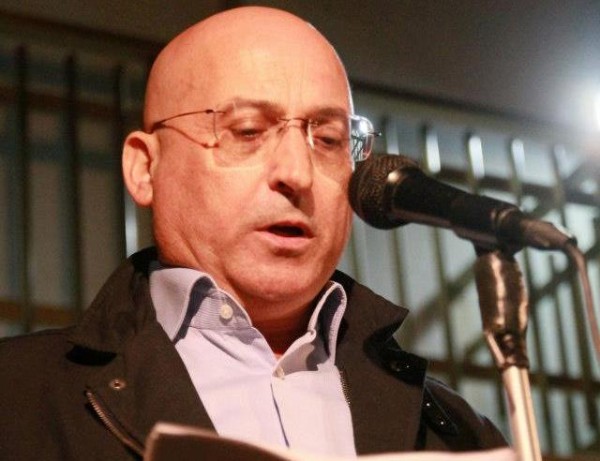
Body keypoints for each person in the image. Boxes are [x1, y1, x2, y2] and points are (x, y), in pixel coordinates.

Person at [0, 6, 508, 460]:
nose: (297, 173)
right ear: (145, 169)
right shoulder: (18, 397)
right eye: (247, 131)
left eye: (328, 139)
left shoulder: (459, 432)